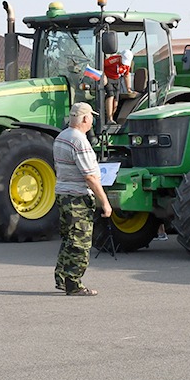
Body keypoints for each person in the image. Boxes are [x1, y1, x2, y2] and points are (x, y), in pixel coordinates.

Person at [53, 102, 112, 296]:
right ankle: (74, 284)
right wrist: (105, 201)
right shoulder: (80, 141)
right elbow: (90, 177)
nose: (92, 121)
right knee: (80, 242)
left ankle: (62, 278)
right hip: (77, 197)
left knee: (69, 239)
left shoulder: (61, 137)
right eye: (91, 117)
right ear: (85, 118)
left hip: (63, 194)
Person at [104, 49, 134, 125]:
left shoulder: (127, 64)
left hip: (117, 80)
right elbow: (101, 66)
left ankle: (111, 117)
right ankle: (109, 119)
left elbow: (126, 75)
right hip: (108, 79)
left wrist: (128, 88)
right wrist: (103, 76)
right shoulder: (112, 60)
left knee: (116, 102)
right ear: (120, 57)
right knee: (110, 95)